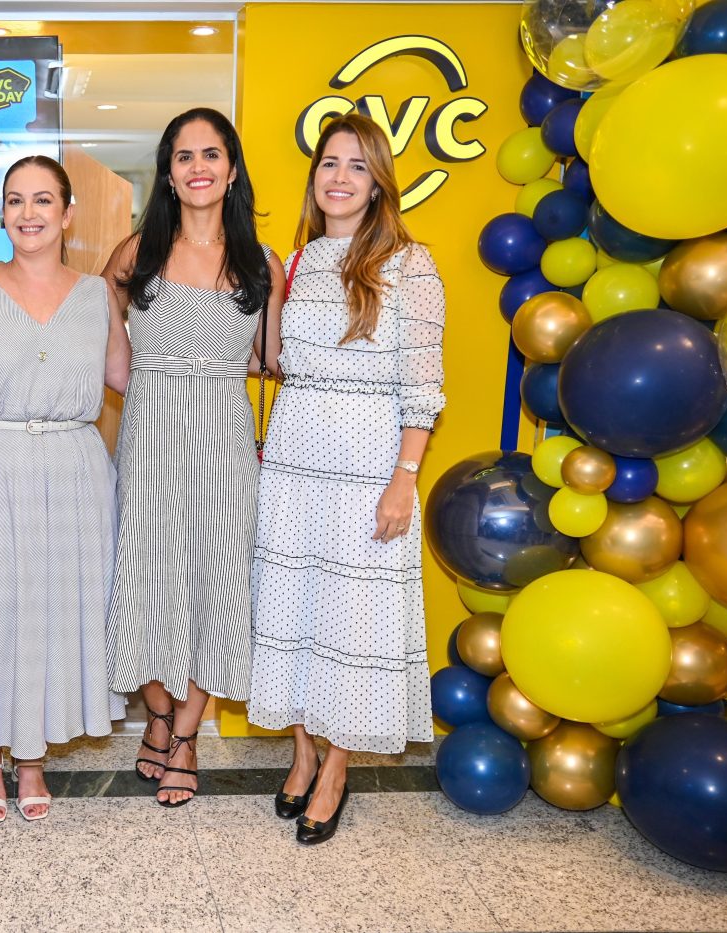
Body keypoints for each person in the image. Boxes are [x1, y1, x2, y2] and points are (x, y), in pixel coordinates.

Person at [251, 112, 446, 844]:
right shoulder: (297, 263)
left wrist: (404, 476)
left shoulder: (410, 264)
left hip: (369, 465)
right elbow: (274, 361)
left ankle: (336, 767)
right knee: (294, 609)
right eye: (329, 163)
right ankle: (300, 755)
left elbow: (423, 385)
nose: (339, 177)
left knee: (352, 622)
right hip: (296, 459)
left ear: (378, 183)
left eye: (357, 165)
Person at [0, 155, 130, 823]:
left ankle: (31, 756)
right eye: (16, 200)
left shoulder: (98, 296)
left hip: (72, 469)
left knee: (50, 613)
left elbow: (132, 379)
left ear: (68, 213)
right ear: (2, 212)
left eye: (44, 200)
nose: (29, 213)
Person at [103, 108, 282, 807]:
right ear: (169, 173)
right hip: (149, 430)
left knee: (218, 580)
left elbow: (271, 360)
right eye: (183, 156)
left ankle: (184, 734)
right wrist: (125, 364)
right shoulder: (135, 251)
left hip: (224, 434)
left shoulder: (260, 264)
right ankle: (155, 710)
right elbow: (101, 313)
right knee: (144, 573)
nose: (198, 166)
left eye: (212, 154)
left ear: (232, 169)